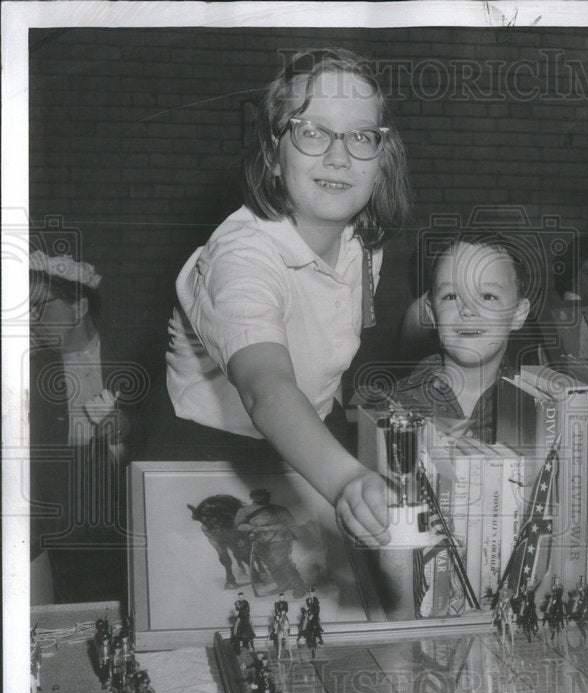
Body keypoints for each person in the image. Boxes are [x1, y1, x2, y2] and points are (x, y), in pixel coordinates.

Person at [158, 48, 411, 549]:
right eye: (312, 131)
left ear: (381, 163)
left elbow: (325, 347)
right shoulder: (240, 255)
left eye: (361, 136)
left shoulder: (365, 241)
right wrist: (345, 479)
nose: (339, 155)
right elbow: (266, 387)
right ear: (274, 154)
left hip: (312, 434)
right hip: (208, 449)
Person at [29, 251, 130, 603]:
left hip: (124, 509)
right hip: (62, 519)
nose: (31, 318)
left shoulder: (135, 354)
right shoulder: (29, 367)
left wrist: (127, 430)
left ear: (79, 307)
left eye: (41, 307)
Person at [391, 233, 531, 442]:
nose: (467, 310)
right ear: (432, 313)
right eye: (451, 296)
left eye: (488, 296)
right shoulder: (397, 405)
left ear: (518, 314)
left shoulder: (537, 411)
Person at [234, 489, 307, 598]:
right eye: (259, 495)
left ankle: (298, 586)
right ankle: (283, 584)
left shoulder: (279, 509)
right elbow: (238, 526)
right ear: (253, 497)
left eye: (265, 496)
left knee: (282, 561)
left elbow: (290, 524)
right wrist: (253, 528)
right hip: (259, 539)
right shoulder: (244, 511)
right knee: (270, 563)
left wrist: (272, 528)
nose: (263, 498)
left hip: (279, 538)